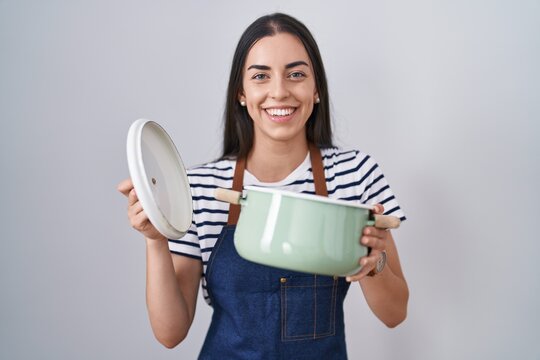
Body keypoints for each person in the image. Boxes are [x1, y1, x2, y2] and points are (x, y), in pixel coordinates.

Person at [118, 13, 408, 359]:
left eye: (296, 74)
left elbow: (395, 314)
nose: (279, 92)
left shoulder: (356, 174)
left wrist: (373, 262)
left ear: (316, 90)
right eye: (260, 77)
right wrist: (156, 241)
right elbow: (170, 333)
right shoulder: (199, 188)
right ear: (241, 93)